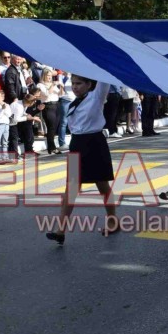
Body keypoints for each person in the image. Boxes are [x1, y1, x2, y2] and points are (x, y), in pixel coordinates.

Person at [44, 76, 118, 246]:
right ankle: (60, 231)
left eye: (79, 84)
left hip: (95, 143)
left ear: (89, 84)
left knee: (102, 185)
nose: (75, 87)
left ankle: (113, 221)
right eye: (73, 84)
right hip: (77, 144)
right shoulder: (72, 104)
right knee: (70, 188)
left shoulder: (97, 96)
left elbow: (103, 76)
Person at [37, 69, 63, 154]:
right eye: (47, 75)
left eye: (50, 75)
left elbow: (60, 94)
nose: (49, 77)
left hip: (56, 105)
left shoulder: (52, 84)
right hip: (48, 106)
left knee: (54, 127)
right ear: (44, 75)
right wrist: (52, 85)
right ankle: (52, 147)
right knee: (51, 127)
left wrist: (61, 86)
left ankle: (50, 147)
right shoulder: (40, 85)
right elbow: (47, 94)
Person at [0, 90, 13, 163]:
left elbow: (9, 114)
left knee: (5, 142)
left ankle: (5, 157)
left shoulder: (6, 105)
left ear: (2, 98)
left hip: (6, 125)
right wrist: (2, 109)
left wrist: (4, 108)